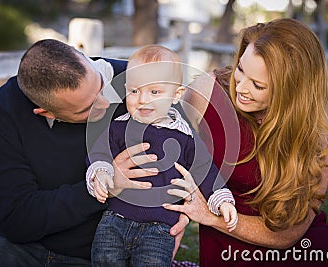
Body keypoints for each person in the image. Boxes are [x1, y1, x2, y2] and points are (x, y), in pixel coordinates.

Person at [0, 39, 189, 266]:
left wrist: (183, 212)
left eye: (100, 86)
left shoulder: (139, 82)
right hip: (25, 247)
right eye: (88, 108)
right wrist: (102, 187)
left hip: (108, 248)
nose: (104, 102)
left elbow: (187, 155)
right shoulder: (7, 107)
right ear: (47, 113)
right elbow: (17, 219)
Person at [164, 18, 328, 266]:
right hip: (229, 250)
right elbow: (167, 145)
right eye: (241, 69)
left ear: (292, 90)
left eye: (258, 85)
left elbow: (289, 233)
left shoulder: (319, 137)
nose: (241, 88)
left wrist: (209, 217)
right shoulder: (207, 93)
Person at [86, 45, 238, 267]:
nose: (142, 99)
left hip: (160, 226)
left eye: (154, 92)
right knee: (104, 260)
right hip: (115, 219)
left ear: (176, 95)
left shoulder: (184, 136)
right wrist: (100, 172)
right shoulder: (118, 127)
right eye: (134, 91)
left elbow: (205, 170)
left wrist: (221, 199)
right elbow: (99, 153)